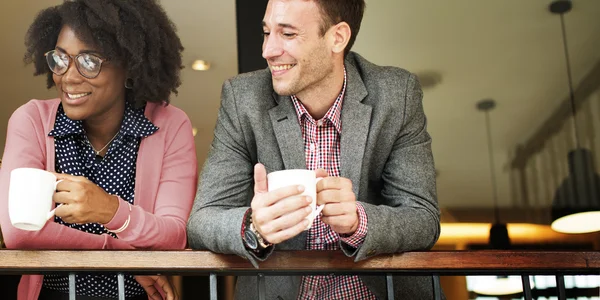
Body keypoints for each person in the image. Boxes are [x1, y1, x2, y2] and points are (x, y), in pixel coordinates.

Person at [187, 0, 442, 299]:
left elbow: (423, 219)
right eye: (267, 32)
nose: (267, 50)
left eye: (288, 34)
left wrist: (360, 221)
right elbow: (201, 222)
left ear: (337, 37)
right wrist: (254, 228)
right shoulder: (242, 98)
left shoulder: (396, 94)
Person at [0, 0, 197, 299]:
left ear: (130, 64)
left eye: (89, 61)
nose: (68, 76)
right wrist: (120, 251)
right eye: (60, 59)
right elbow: (19, 231)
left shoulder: (170, 125)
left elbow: (174, 235)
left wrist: (110, 210)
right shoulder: (32, 122)